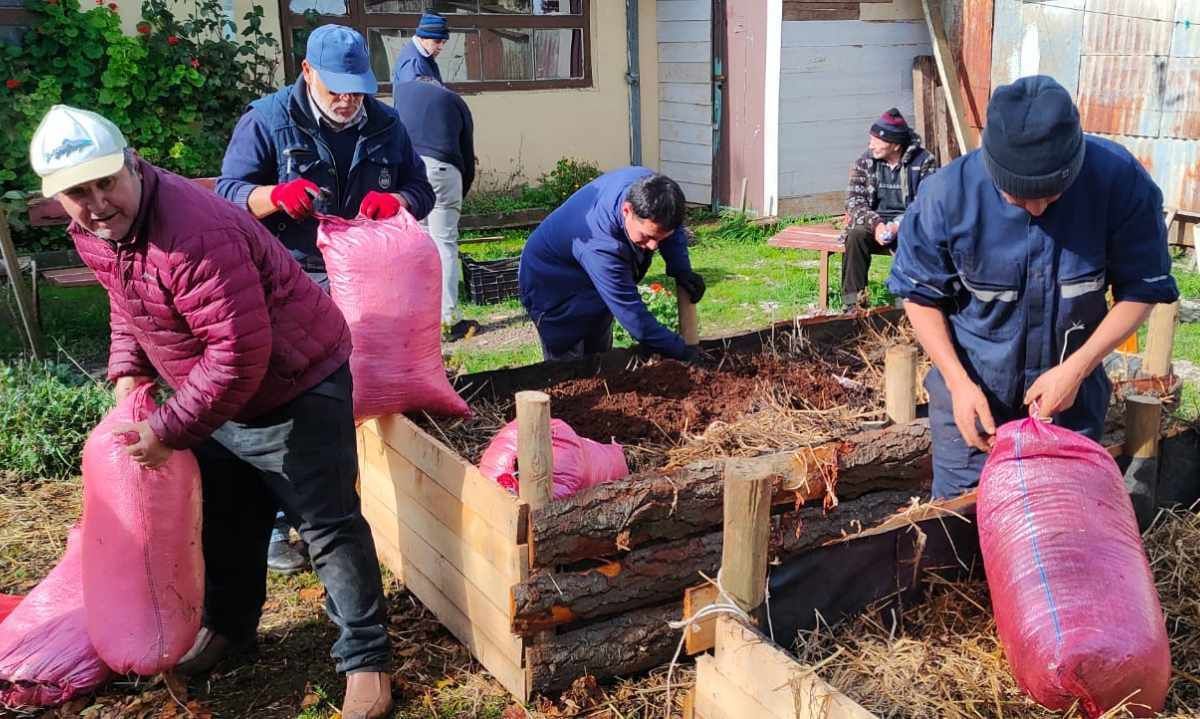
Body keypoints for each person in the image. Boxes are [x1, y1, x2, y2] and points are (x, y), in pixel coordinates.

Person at [30, 105, 394, 719]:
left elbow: (237, 355)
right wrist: (129, 372)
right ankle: (231, 628)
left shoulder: (195, 233)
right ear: (57, 198)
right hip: (215, 394)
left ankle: (368, 661)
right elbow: (128, 298)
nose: (96, 203)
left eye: (105, 183)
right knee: (228, 518)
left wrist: (169, 428)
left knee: (327, 526)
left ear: (132, 166)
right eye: (77, 193)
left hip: (295, 381)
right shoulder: (97, 231)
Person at [887, 76, 1180, 500]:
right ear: (993, 168)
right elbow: (920, 296)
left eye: (1052, 195)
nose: (1039, 208)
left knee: (1064, 515)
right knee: (963, 524)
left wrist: (1077, 369)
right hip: (974, 396)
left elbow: (1142, 290)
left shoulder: (1120, 182)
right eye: (1019, 199)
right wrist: (957, 382)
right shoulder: (946, 195)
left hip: (1069, 398)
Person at [217, 24, 434, 288]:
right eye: (335, 89)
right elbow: (227, 194)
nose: (346, 100)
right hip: (292, 277)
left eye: (356, 90)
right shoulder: (265, 121)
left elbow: (421, 190)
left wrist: (398, 201)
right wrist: (275, 196)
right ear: (307, 71)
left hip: (370, 272)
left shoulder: (387, 124)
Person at [518, 167, 705, 361]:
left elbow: (668, 229)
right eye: (647, 237)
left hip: (587, 267)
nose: (653, 246)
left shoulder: (655, 191)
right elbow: (632, 314)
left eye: (660, 238)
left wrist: (681, 269)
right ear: (627, 210)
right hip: (551, 282)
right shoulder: (602, 246)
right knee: (568, 355)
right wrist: (681, 351)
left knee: (599, 344)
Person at [393, 75, 477, 340]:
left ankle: (416, 317)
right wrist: (459, 196)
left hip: (409, 172)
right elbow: (466, 156)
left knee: (416, 243)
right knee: (444, 243)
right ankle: (449, 320)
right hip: (443, 169)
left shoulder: (399, 93)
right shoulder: (454, 101)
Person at [840, 108, 937, 311]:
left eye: (876, 140)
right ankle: (853, 306)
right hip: (873, 222)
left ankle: (907, 308)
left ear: (894, 144)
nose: (871, 144)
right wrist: (876, 225)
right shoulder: (866, 160)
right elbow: (854, 201)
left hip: (909, 223)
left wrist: (897, 226)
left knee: (915, 240)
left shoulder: (924, 161)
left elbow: (927, 203)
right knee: (855, 236)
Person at [390, 12, 447, 85]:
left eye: (444, 42)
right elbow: (413, 95)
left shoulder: (424, 54)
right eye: (437, 41)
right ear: (422, 37)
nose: (441, 47)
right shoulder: (413, 63)